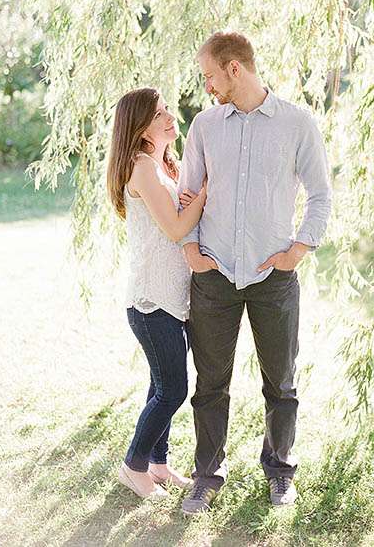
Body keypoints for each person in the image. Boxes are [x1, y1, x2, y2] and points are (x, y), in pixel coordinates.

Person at [176, 31, 333, 514]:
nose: (207, 87)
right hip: (214, 275)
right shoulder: (204, 125)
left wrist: (298, 249)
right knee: (209, 384)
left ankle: (281, 472)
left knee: (281, 383)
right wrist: (190, 250)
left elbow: (321, 194)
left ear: (233, 69)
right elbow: (186, 193)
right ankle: (206, 476)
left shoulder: (297, 122)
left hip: (274, 278)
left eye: (208, 76)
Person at [106, 87, 207, 499]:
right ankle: (134, 466)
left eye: (167, 111)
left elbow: (179, 215)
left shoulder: (162, 165)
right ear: (140, 127)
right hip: (151, 302)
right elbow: (178, 228)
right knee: (173, 389)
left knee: (160, 383)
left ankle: (158, 463)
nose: (170, 118)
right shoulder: (142, 166)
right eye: (160, 114)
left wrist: (189, 197)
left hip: (169, 299)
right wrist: (204, 195)